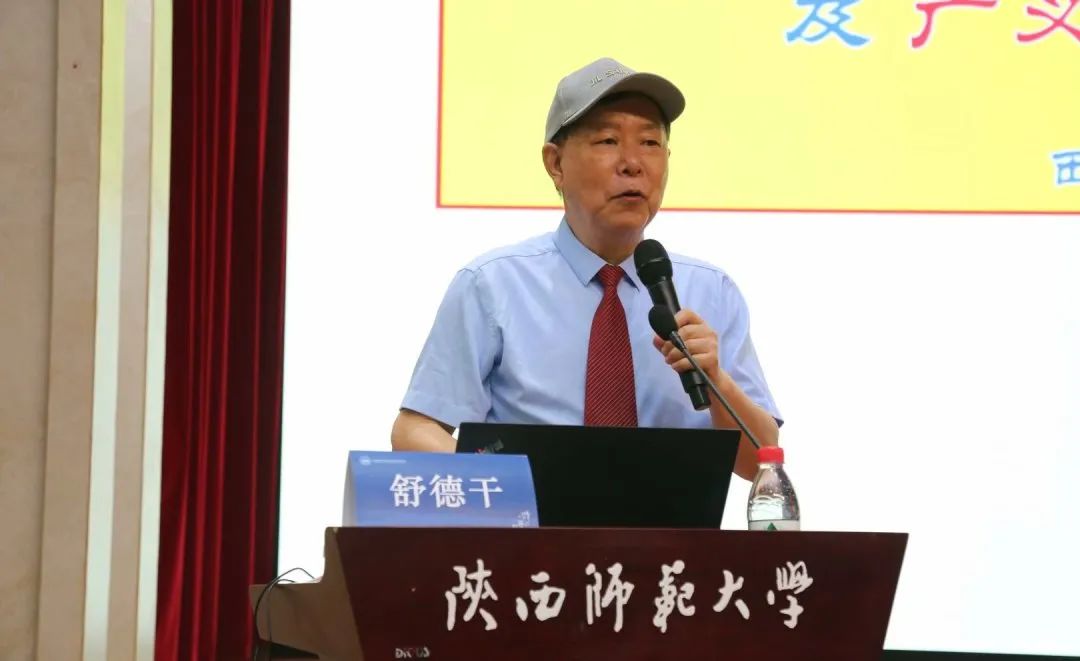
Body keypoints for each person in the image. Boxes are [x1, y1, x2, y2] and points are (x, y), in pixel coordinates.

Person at [391, 57, 781, 480]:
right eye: (609, 140)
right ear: (555, 163)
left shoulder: (711, 291)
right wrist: (504, 487)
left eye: (650, 143)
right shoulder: (492, 286)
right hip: (530, 521)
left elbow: (761, 462)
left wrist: (717, 380)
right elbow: (415, 430)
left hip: (674, 524)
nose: (633, 163)